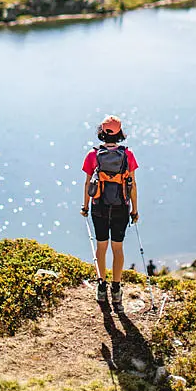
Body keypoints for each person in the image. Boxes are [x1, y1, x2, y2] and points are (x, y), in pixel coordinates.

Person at [81, 114, 139, 312]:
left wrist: (85, 206)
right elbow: (132, 185)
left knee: (101, 247)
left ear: (102, 133)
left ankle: (101, 286)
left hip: (99, 206)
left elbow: (88, 183)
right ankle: (116, 288)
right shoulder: (128, 155)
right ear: (120, 133)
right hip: (121, 208)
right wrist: (134, 210)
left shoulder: (92, 155)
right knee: (117, 248)